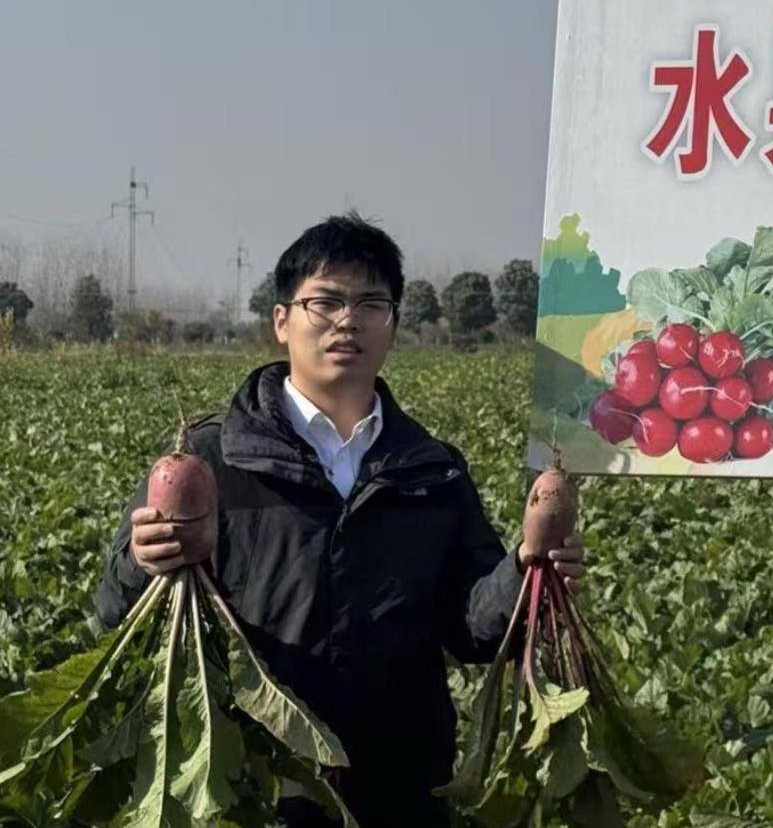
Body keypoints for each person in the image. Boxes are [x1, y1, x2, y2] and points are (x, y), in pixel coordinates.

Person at [94, 212, 586, 827]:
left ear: (393, 325)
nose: (347, 321)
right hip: (254, 785)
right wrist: (143, 561)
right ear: (282, 321)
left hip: (401, 786)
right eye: (323, 302)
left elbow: (472, 629)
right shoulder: (210, 459)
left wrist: (522, 571)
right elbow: (114, 611)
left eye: (370, 304)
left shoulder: (433, 469)